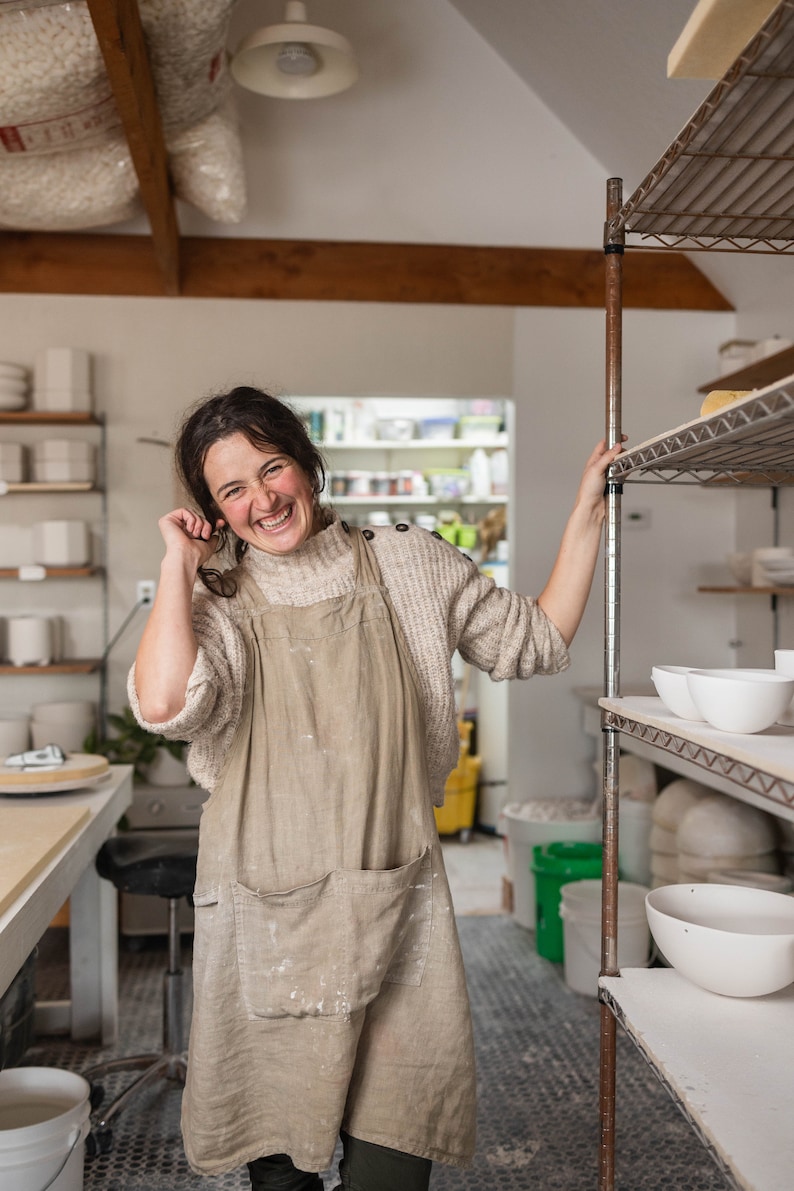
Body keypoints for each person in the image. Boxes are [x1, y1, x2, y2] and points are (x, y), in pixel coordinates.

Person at [129, 385, 623, 1191]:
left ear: (308, 462)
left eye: (273, 467)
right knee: (280, 1171)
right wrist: (177, 567)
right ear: (213, 510)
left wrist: (586, 511)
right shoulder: (214, 602)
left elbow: (536, 638)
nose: (263, 499)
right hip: (267, 920)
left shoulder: (407, 561)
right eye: (233, 489)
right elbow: (161, 702)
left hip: (398, 911)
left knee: (391, 1165)